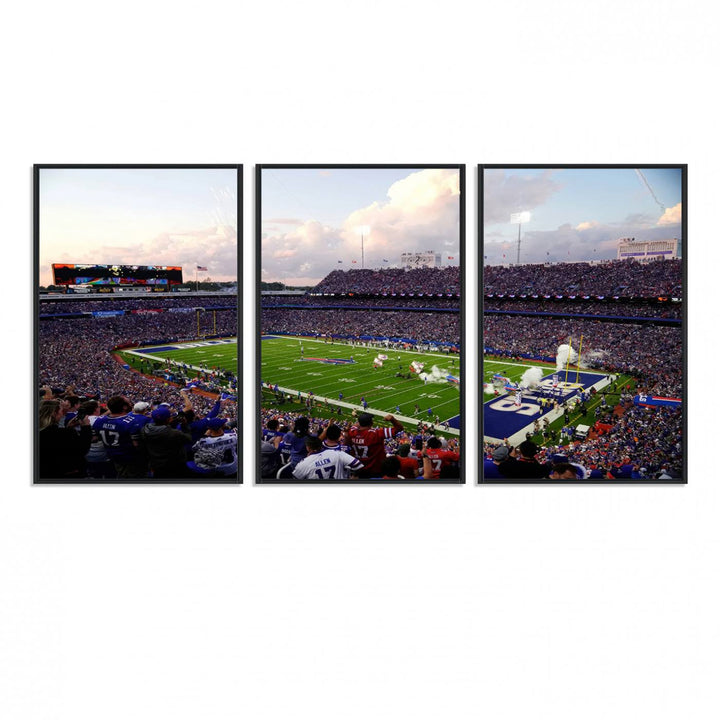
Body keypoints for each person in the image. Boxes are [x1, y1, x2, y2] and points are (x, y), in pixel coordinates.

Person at [38, 399, 92, 479]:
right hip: (66, 474)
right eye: (61, 411)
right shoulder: (65, 433)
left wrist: (68, 427)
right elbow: (83, 449)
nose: (62, 413)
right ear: (54, 413)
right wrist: (86, 427)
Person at [139, 406, 192, 478]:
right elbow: (188, 439)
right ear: (168, 419)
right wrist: (184, 425)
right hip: (172, 464)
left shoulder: (145, 429)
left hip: (155, 462)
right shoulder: (173, 433)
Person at [347, 412, 403, 478]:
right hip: (375, 470)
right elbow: (399, 428)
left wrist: (357, 417)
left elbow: (355, 426)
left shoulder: (352, 432)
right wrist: (392, 419)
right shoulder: (376, 433)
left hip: (359, 469)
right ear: (371, 423)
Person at [291, 436, 362, 480]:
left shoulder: (304, 463)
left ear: (308, 448)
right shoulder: (337, 453)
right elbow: (357, 464)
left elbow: (296, 478)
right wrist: (353, 477)